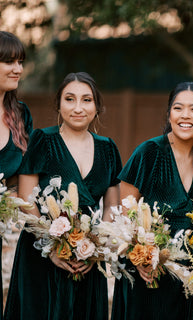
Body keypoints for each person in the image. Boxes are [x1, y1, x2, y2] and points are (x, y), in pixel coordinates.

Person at [4, 72, 122, 320]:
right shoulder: (43, 140)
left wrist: (94, 248)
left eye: (86, 100)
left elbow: (112, 207)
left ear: (97, 106)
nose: (78, 107)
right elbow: (26, 200)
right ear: (58, 104)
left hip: (89, 259)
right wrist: (52, 247)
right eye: (70, 99)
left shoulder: (108, 148)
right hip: (41, 256)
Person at [111, 82, 193, 320]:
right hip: (148, 277)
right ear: (169, 114)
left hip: (192, 281)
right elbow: (126, 218)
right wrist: (141, 258)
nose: (185, 116)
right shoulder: (148, 153)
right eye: (178, 108)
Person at [0, 31, 32, 320]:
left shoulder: (20, 115)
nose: (18, 69)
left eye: (20, 61)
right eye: (8, 61)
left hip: (6, 230)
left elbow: (25, 180)